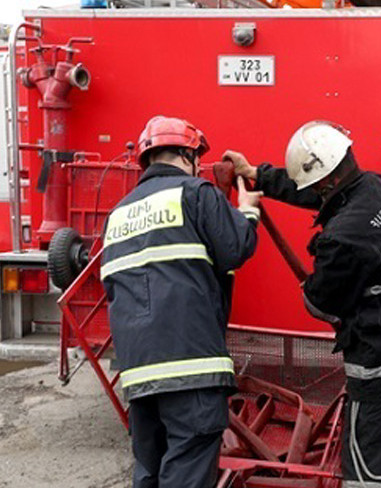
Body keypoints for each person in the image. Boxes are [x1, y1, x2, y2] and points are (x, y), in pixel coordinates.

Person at [224, 120, 381, 488]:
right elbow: (318, 192)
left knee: (369, 478)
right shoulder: (378, 187)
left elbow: (320, 303)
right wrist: (256, 174)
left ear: (326, 182)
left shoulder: (341, 240)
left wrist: (312, 287)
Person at [101, 116, 261, 488]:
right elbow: (235, 248)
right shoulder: (196, 192)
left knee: (151, 471)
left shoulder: (119, 214)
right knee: (188, 467)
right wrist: (248, 209)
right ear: (189, 154)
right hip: (191, 365)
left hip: (139, 373)